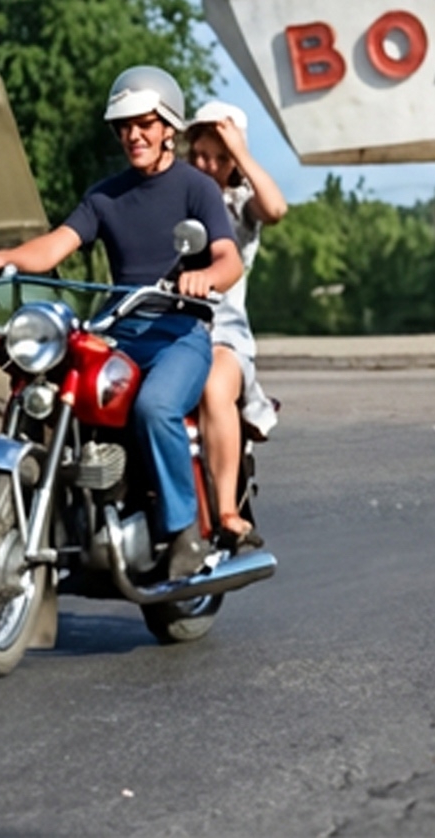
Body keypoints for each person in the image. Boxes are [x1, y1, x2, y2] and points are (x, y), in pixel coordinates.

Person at [0, 66, 242, 581]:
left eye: (144, 124)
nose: (132, 135)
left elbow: (229, 258)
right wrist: (2, 257)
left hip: (177, 335)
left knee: (156, 406)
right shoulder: (106, 196)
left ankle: (184, 531)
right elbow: (54, 246)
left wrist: (204, 277)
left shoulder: (195, 188)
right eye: (123, 126)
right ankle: (60, 518)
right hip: (119, 332)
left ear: (167, 127)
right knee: (49, 393)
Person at [185, 102, 287, 547]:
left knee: (213, 386)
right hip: (166, 321)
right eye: (201, 155)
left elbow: (277, 208)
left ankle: (227, 510)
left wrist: (241, 153)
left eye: (219, 158)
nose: (208, 166)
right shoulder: (176, 194)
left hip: (222, 332)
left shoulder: (238, 203)